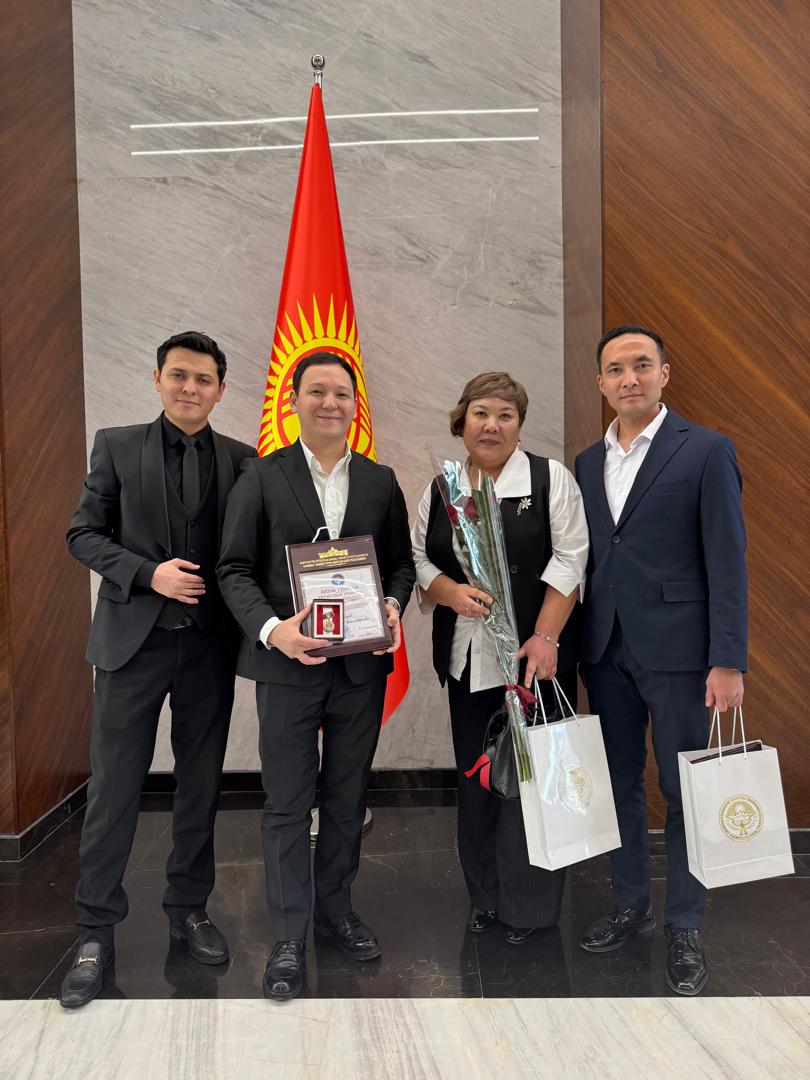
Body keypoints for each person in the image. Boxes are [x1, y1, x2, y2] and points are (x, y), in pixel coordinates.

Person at [60, 330, 256, 1008]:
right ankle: (94, 931)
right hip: (130, 648)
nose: (190, 388)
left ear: (221, 390)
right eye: (179, 375)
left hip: (208, 649)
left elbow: (252, 552)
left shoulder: (244, 460)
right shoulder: (116, 446)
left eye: (203, 379)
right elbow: (82, 534)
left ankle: (189, 910)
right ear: (158, 380)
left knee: (199, 786)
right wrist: (149, 574)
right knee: (114, 789)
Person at [216, 351, 415, 1002]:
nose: (331, 403)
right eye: (317, 391)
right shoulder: (260, 475)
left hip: (359, 669)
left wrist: (391, 605)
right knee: (285, 803)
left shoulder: (380, 480)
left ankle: (335, 914)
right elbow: (233, 569)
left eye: (342, 393)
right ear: (293, 400)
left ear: (355, 404)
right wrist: (274, 630)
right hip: (287, 666)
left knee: (346, 798)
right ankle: (286, 936)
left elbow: (401, 566)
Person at [575, 324, 747, 996]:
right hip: (605, 650)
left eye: (642, 365)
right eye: (616, 369)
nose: (630, 379)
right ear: (601, 383)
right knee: (618, 784)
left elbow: (727, 561)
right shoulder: (586, 463)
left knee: (684, 791)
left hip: (681, 653)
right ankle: (630, 906)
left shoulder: (705, 450)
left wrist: (727, 659)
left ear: (664, 373)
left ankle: (684, 924)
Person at [412, 372, 588, 943]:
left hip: (536, 662)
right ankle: (484, 896)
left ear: (520, 425)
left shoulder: (548, 479)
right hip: (467, 661)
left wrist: (545, 637)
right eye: (481, 413)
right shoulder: (443, 488)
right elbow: (418, 558)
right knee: (478, 779)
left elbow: (571, 559)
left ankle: (530, 907)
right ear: (462, 421)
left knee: (535, 780)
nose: (492, 425)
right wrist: (449, 593)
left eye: (505, 415)